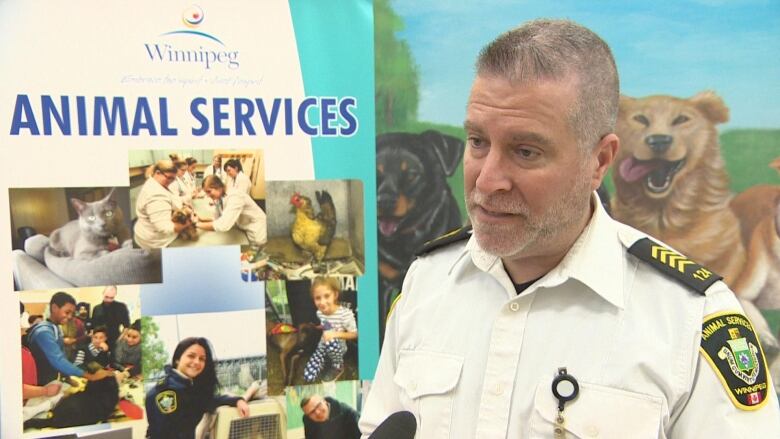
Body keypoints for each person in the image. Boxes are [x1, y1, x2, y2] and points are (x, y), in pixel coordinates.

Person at [359, 19, 780, 438]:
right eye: (477, 142)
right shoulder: (427, 282)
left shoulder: (691, 317)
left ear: (599, 161)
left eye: (525, 151)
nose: (487, 180)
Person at [145, 337, 249, 439]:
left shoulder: (188, 387)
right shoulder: (166, 392)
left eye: (202, 359)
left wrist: (237, 401)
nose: (197, 362)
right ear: (177, 359)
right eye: (191, 356)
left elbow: (210, 400)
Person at [26, 292, 113, 384]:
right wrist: (91, 377)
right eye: (67, 312)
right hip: (39, 382)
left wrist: (67, 378)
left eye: (72, 313)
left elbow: (62, 354)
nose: (70, 316)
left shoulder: (55, 327)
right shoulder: (44, 332)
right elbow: (58, 360)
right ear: (54, 308)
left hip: (51, 379)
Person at [303, 277, 357, 383]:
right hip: (323, 346)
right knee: (308, 376)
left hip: (338, 348)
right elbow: (326, 326)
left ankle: (338, 366)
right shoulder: (319, 313)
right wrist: (317, 327)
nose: (322, 302)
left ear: (335, 295)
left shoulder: (345, 314)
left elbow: (355, 334)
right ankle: (325, 359)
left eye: (327, 296)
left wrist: (334, 334)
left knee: (330, 340)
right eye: (318, 298)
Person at [134, 159, 192, 248]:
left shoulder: (155, 182)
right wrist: (189, 222)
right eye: (169, 177)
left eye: (173, 178)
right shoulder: (156, 195)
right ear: (157, 173)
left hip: (145, 232)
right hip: (155, 241)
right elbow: (165, 227)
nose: (171, 181)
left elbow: (170, 198)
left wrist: (182, 204)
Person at [196, 175, 267, 246]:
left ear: (218, 186)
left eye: (209, 191)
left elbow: (223, 225)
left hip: (257, 232)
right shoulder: (220, 197)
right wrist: (202, 219)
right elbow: (218, 218)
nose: (208, 196)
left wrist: (196, 225)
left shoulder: (235, 197)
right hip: (245, 229)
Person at [91, 286, 130, 352]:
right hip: (99, 341)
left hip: (116, 340)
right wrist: (95, 341)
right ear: (103, 294)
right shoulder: (96, 308)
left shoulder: (121, 307)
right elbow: (93, 327)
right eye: (106, 297)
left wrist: (119, 341)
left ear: (115, 295)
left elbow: (127, 326)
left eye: (111, 298)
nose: (108, 300)